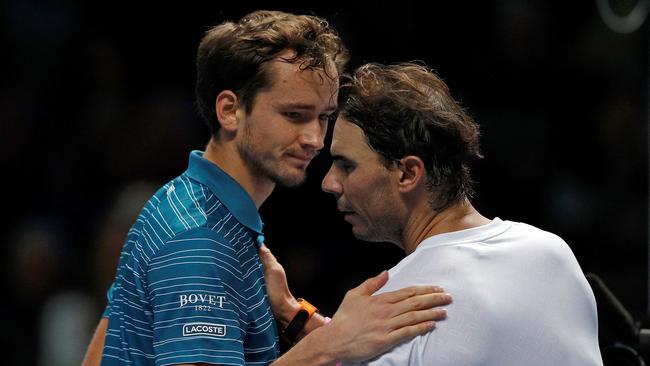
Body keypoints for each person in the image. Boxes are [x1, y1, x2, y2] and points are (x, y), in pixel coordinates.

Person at [82, 11, 452, 366]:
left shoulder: (179, 205)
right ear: (230, 110)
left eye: (323, 117)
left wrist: (294, 314)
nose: (314, 139)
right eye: (293, 115)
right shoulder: (199, 239)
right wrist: (328, 343)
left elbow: (101, 355)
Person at [320, 62, 604, 365]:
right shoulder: (552, 253)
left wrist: (328, 343)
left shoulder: (392, 312)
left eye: (347, 166)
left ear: (408, 173)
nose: (328, 183)